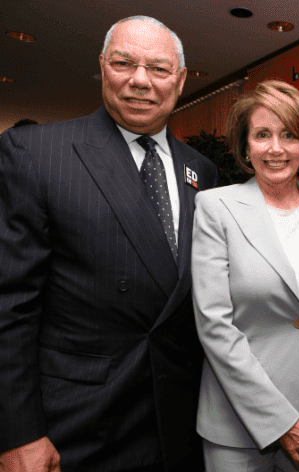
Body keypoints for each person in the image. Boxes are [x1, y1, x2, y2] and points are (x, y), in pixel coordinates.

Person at [0, 16, 218, 472]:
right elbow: (10, 305)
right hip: (74, 426)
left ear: (179, 81)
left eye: (158, 69)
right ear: (103, 66)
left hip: (175, 421)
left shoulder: (201, 171)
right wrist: (18, 432)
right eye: (124, 63)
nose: (140, 80)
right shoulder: (36, 153)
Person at [190, 80, 299, 472]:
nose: (276, 149)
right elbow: (214, 325)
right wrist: (278, 420)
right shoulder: (216, 207)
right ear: (245, 146)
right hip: (236, 425)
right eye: (262, 135)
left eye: (289, 135)